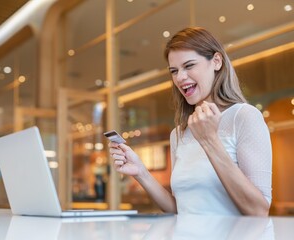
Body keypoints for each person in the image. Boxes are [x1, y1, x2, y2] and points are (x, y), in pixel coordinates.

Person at [108, 27, 272, 216]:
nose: (180, 77)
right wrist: (140, 172)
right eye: (174, 70)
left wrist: (209, 140)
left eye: (189, 66)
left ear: (216, 62)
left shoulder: (244, 116)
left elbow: (259, 210)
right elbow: (180, 209)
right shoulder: (178, 134)